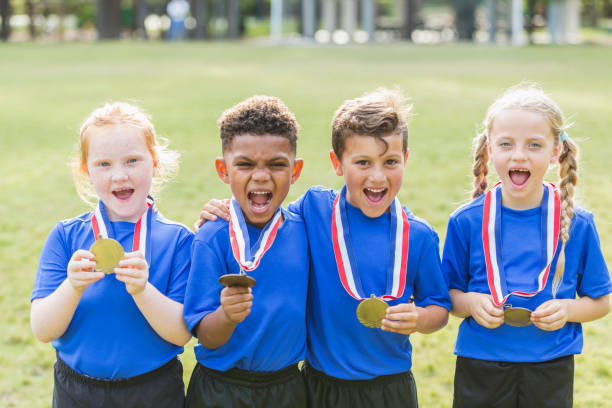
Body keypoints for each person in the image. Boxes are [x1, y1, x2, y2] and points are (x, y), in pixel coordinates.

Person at [196, 88, 451, 408]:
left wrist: (419, 317)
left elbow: (439, 309)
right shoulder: (315, 209)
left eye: (390, 162)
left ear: (405, 160)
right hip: (319, 387)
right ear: (337, 163)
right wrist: (220, 213)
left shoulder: (419, 236)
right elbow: (265, 214)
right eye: (363, 162)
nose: (377, 175)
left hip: (390, 386)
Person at [442, 84, 612, 408]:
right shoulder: (464, 222)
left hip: (551, 365)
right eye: (506, 144)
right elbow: (446, 296)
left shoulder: (578, 223)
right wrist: (471, 303)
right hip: (480, 364)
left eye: (534, 145)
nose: (519, 155)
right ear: (490, 150)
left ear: (555, 153)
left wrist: (567, 309)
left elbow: (601, 301)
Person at [30, 102, 192, 408]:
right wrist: (72, 287)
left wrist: (143, 290)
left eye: (132, 160)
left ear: (154, 163)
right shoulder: (65, 237)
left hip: (154, 390)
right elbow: (42, 328)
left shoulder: (179, 240)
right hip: (76, 391)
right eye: (104, 164)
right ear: (86, 171)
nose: (119, 175)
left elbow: (181, 334)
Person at [183, 95, 308, 408]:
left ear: (295, 170)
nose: (261, 176)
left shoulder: (306, 229)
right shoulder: (210, 237)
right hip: (220, 389)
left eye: (277, 165)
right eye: (245, 164)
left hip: (288, 386)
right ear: (223, 170)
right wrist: (226, 315)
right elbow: (206, 336)